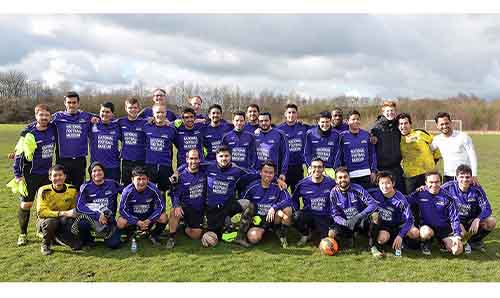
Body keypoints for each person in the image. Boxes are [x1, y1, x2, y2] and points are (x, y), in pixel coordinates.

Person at [171, 145, 260, 248]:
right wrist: (177, 172)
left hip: (228, 204)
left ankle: (240, 236)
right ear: (216, 157)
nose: (224, 159)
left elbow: (257, 174)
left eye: (226, 156)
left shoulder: (237, 170)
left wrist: (276, 179)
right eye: (221, 156)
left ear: (231, 157)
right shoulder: (208, 166)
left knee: (249, 205)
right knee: (211, 234)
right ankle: (221, 226)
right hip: (212, 209)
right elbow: (191, 164)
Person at [11, 104, 56, 246]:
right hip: (30, 175)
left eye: (46, 115)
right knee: (26, 204)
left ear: (50, 117)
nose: (44, 118)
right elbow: (18, 155)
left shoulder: (53, 129)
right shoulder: (28, 133)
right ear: (36, 116)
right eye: (41, 115)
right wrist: (18, 175)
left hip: (47, 175)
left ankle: (41, 229)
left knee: (44, 205)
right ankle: (23, 234)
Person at [442, 164, 496, 253]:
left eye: (467, 177)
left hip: (470, 221)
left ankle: (474, 241)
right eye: (461, 177)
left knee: (491, 221)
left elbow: (487, 208)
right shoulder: (448, 187)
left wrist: (478, 219)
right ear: (456, 177)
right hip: (455, 221)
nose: (464, 180)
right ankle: (453, 240)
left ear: (471, 178)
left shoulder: (476, 189)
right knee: (460, 240)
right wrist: (424, 188)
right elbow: (433, 191)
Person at [407, 171, 463, 256]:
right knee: (425, 233)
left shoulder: (448, 197)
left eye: (437, 182)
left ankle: (442, 242)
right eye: (431, 182)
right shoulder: (420, 193)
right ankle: (426, 243)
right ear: (425, 182)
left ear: (441, 182)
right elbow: (406, 201)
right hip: (427, 227)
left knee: (457, 251)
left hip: (444, 229)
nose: (434, 185)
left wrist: (457, 236)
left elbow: (454, 218)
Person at [242, 160, 293, 248]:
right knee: (253, 238)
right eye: (265, 172)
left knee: (287, 210)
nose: (268, 175)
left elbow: (288, 200)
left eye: (271, 173)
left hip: (274, 218)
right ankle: (264, 231)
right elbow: (244, 203)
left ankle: (281, 234)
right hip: (259, 220)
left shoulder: (278, 186)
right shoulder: (252, 187)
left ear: (274, 174)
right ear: (260, 173)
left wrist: (274, 207)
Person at [370, 171, 420, 257]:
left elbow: (410, 219)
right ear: (378, 184)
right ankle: (391, 241)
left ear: (393, 183)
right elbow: (359, 191)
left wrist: (400, 235)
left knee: (415, 233)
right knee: (381, 240)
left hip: (399, 225)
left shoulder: (400, 200)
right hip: (385, 227)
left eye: (388, 183)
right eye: (382, 183)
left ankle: (402, 240)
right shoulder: (375, 194)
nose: (385, 186)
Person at [52, 91, 95, 189]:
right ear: (65, 103)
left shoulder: (86, 116)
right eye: (69, 102)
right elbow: (40, 121)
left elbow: (103, 117)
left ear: (78, 103)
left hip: (79, 160)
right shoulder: (57, 117)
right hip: (63, 160)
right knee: (62, 189)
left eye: (74, 102)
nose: (71, 105)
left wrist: (95, 119)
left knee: (79, 189)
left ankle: (78, 205)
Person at [74, 162, 122, 249]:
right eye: (94, 171)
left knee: (114, 244)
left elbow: (126, 191)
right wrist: (98, 215)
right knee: (82, 223)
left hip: (109, 220)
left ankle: (108, 234)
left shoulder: (112, 184)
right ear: (90, 173)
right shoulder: (85, 187)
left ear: (103, 172)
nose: (97, 173)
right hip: (93, 220)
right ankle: (88, 240)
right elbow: (79, 207)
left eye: (99, 170)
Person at [328, 167, 378, 250]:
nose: (343, 179)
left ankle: (372, 245)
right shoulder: (333, 193)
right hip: (346, 222)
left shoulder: (357, 188)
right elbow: (335, 214)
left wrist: (358, 216)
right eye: (340, 177)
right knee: (331, 233)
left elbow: (373, 204)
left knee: (375, 216)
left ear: (349, 178)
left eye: (345, 177)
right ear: (336, 180)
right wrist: (345, 222)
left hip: (360, 220)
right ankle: (349, 237)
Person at [36, 164, 81, 255]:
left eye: (60, 175)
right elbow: (41, 212)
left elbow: (73, 209)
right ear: (50, 178)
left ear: (65, 176)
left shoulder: (72, 189)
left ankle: (57, 237)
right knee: (51, 222)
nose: (58, 178)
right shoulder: (44, 190)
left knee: (77, 245)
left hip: (63, 219)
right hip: (45, 220)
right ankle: (46, 244)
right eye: (55, 175)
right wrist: (62, 213)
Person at [166, 149, 207, 249]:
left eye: (196, 158)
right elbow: (175, 194)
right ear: (187, 159)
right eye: (191, 158)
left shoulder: (204, 172)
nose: (193, 161)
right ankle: (172, 237)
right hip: (185, 207)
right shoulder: (180, 176)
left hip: (198, 210)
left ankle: (184, 227)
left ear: (200, 159)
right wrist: (176, 206)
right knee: (174, 212)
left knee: (196, 235)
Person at [117, 166, 168, 245]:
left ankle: (153, 235)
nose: (141, 182)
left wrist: (149, 220)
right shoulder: (127, 191)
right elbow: (121, 209)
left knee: (164, 217)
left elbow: (161, 207)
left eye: (143, 179)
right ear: (132, 180)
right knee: (120, 222)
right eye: (138, 179)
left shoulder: (154, 189)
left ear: (148, 179)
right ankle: (130, 234)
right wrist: (136, 221)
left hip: (148, 219)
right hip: (134, 220)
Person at [292, 158, 336, 246]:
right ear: (310, 169)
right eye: (314, 167)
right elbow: (293, 199)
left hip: (324, 216)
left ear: (323, 169)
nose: (317, 169)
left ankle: (315, 232)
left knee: (325, 241)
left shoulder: (331, 182)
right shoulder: (302, 184)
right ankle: (305, 234)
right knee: (296, 216)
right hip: (309, 215)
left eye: (319, 167)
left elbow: (337, 199)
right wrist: (297, 210)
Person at [397, 113, 441, 195]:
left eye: (406, 123)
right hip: (410, 176)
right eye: (401, 124)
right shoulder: (397, 138)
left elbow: (436, 145)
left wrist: (434, 160)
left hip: (427, 173)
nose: (403, 126)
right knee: (412, 201)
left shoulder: (420, 133)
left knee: (430, 198)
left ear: (410, 124)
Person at [431, 112, 478, 184]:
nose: (444, 126)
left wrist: (474, 175)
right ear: (437, 126)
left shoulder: (463, 136)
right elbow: (427, 151)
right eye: (441, 124)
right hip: (448, 177)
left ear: (451, 122)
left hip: (464, 176)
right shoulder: (437, 139)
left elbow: (472, 156)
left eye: (446, 123)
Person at [335, 110, 377, 190]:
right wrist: (339, 172)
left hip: (366, 174)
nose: (356, 121)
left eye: (358, 119)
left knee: (366, 200)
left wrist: (373, 171)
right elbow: (338, 156)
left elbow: (372, 154)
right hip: (350, 175)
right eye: (353, 119)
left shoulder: (366, 135)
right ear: (347, 121)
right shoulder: (342, 136)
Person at [370, 101, 404, 192]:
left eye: (392, 110)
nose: (390, 113)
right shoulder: (376, 128)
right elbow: (372, 148)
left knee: (399, 194)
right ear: (383, 112)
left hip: (396, 168)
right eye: (388, 111)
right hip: (382, 169)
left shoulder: (397, 126)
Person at [143, 103, 177, 197]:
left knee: (162, 192)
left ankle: (162, 211)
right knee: (149, 191)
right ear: (153, 114)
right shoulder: (146, 127)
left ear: (166, 113)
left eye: (162, 112)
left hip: (165, 165)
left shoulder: (171, 130)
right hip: (150, 164)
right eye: (157, 112)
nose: (160, 115)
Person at [277, 104, 310, 192]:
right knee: (281, 193)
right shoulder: (279, 129)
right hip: (284, 168)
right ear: (285, 114)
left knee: (297, 194)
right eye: (289, 112)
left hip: (298, 167)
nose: (291, 115)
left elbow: (318, 129)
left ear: (297, 114)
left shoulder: (303, 127)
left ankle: (296, 206)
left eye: (293, 112)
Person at [118, 97, 148, 185]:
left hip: (140, 160)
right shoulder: (120, 121)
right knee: (126, 186)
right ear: (126, 108)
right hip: (126, 160)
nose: (133, 110)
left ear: (138, 109)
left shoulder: (145, 123)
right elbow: (106, 120)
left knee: (140, 185)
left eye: (135, 107)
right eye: (130, 107)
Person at [89, 102, 122, 182]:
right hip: (96, 167)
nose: (104, 114)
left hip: (113, 166)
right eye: (102, 111)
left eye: (107, 112)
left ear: (112, 114)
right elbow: (81, 114)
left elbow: (126, 140)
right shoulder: (92, 124)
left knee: (112, 192)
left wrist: (122, 151)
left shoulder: (117, 126)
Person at [304, 111, 340, 178]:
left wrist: (335, 169)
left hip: (330, 169)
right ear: (318, 122)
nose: (325, 124)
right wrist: (311, 167)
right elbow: (307, 153)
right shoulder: (310, 134)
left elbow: (337, 154)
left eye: (327, 122)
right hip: (314, 169)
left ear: (331, 121)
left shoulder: (336, 135)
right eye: (322, 122)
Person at [254, 112, 289, 181]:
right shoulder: (254, 135)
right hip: (257, 174)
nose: (264, 123)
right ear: (258, 122)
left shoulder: (280, 134)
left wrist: (283, 172)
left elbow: (286, 154)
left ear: (270, 121)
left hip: (274, 175)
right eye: (261, 121)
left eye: (266, 120)